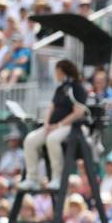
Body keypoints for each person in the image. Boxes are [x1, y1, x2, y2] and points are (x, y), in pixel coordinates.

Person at [19, 60, 87, 190]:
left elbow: (78, 112)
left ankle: (57, 178)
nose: (55, 75)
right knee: (30, 140)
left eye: (56, 71)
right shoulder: (60, 89)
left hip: (69, 127)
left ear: (62, 71)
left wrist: (58, 125)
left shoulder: (78, 88)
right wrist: (47, 124)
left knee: (52, 139)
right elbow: (51, 108)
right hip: (51, 127)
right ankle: (32, 179)